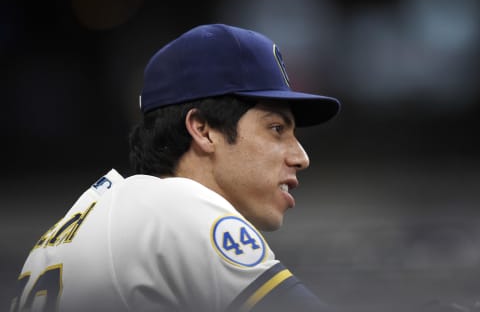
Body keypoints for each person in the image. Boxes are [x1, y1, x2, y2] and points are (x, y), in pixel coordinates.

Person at [11, 24, 340, 312]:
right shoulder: (178, 209)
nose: (301, 157)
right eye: (277, 129)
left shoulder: (70, 228)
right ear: (203, 129)